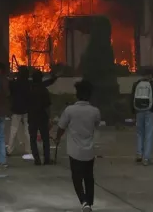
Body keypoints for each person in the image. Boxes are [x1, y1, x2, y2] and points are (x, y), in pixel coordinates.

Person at [57, 80, 101, 212]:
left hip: (74, 151)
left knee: (76, 177)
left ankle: (84, 202)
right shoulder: (95, 111)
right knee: (89, 176)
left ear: (77, 94)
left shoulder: (70, 110)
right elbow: (96, 125)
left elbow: (61, 127)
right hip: (89, 150)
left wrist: (57, 138)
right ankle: (89, 201)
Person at [131, 68, 153, 166]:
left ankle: (139, 153)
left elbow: (132, 99)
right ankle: (146, 158)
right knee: (149, 134)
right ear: (151, 75)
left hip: (138, 111)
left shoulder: (136, 84)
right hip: (149, 111)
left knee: (140, 133)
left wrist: (133, 113)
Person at [28, 69, 53, 165]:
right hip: (43, 117)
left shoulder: (30, 90)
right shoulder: (44, 90)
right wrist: (49, 118)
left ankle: (37, 159)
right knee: (45, 139)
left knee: (33, 139)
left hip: (32, 117)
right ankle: (47, 159)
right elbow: (47, 106)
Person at [7, 66, 31, 156]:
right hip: (26, 109)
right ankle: (28, 150)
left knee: (13, 130)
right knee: (27, 130)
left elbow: (11, 92)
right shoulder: (29, 83)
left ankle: (9, 150)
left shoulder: (15, 83)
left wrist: (11, 79)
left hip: (16, 109)